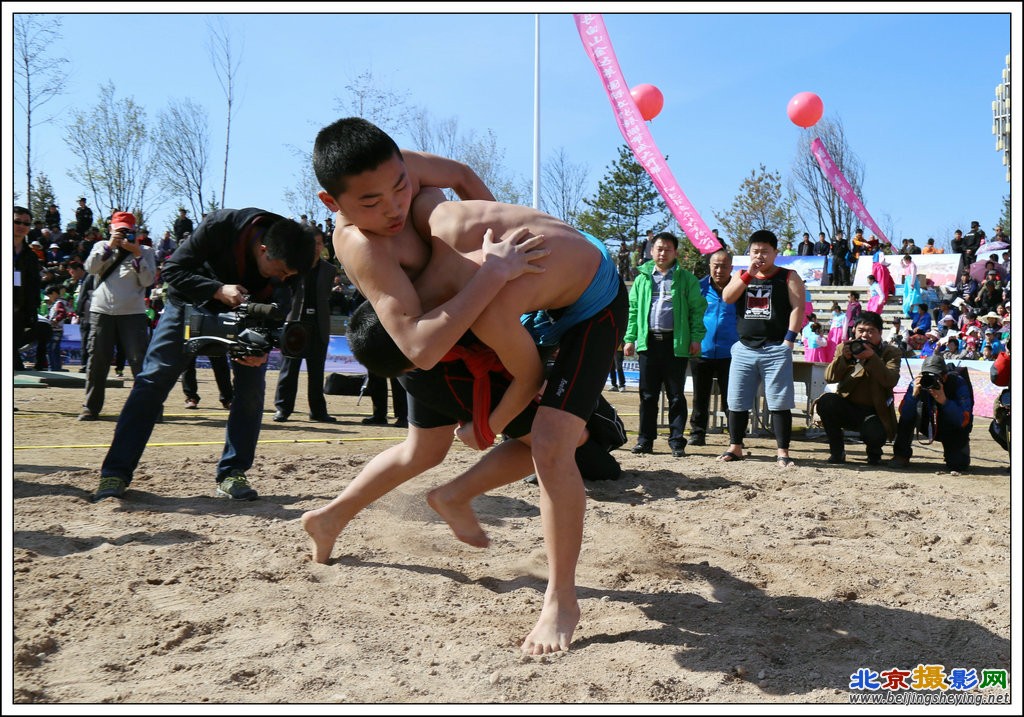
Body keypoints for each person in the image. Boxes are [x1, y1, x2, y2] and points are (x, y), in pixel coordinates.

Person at [302, 300, 625, 558]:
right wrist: (490, 426)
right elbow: (528, 376)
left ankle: (330, 518)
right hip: (440, 357)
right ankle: (454, 496)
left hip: (425, 346)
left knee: (423, 451)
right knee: (561, 440)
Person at [91, 208, 315, 502]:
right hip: (189, 305)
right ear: (263, 250)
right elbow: (172, 271)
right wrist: (217, 289)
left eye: (291, 275)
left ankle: (232, 473)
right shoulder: (221, 226)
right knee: (152, 381)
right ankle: (115, 473)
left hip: (250, 315)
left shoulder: (294, 253)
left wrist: (264, 347)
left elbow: (284, 300)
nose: (285, 278)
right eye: (282, 271)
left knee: (251, 389)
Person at [718, 229, 806, 468]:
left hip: (775, 347)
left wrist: (789, 340)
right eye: (755, 251)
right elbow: (727, 297)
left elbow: (798, 307)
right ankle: (735, 447)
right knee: (736, 400)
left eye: (765, 251)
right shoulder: (742, 274)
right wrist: (749, 274)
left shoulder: (789, 276)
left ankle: (782, 451)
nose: (760, 256)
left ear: (775, 253)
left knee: (779, 402)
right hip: (745, 347)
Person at [623, 231, 706, 457]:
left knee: (676, 395)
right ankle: (645, 440)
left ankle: (677, 441)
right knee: (647, 395)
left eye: (667, 249)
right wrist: (630, 338)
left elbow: (697, 310)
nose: (662, 253)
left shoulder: (686, 279)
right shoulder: (642, 279)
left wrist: (696, 338)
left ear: (675, 252)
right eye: (659, 248)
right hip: (649, 343)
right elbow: (633, 311)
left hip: (675, 344)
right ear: (651, 251)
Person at [78, 212, 157, 421]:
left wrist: (137, 255)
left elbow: (148, 281)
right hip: (102, 311)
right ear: (111, 230)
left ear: (135, 232)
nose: (123, 234)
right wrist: (109, 247)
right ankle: (90, 407)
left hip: (133, 314)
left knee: (140, 362)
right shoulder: (101, 246)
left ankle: (149, 409)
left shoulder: (146, 251)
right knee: (97, 361)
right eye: (119, 230)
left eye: (127, 231)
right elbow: (90, 268)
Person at [815, 311, 902, 465]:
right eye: (861, 331)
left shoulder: (890, 352)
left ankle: (874, 452)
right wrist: (845, 358)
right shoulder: (845, 348)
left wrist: (871, 357)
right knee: (826, 402)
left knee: (875, 433)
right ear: (854, 330)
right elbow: (829, 377)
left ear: (880, 333)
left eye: (871, 331)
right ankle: (837, 452)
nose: (865, 335)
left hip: (875, 411)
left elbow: (890, 380)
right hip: (848, 406)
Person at [272, 227, 340, 423]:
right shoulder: (292, 266)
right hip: (295, 323)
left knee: (316, 371)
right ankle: (283, 409)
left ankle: (318, 411)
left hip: (318, 324)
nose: (316, 247)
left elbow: (325, 296)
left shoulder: (329, 270)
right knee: (289, 369)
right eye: (312, 243)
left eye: (319, 243)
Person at [891, 354, 973, 472]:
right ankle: (901, 454)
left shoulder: (957, 383)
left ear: (944, 377)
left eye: (935, 376)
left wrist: (945, 402)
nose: (929, 380)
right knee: (906, 418)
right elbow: (905, 415)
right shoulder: (918, 383)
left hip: (950, 426)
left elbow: (964, 420)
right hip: (925, 423)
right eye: (926, 375)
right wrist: (913, 396)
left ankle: (954, 454)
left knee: (958, 464)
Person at [689, 248, 737, 446]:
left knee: (731, 398)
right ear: (710, 266)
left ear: (731, 268)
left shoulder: (739, 288)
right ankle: (697, 433)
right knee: (700, 396)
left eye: (724, 266)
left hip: (731, 353)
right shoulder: (698, 288)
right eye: (716, 266)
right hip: (702, 350)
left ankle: (735, 437)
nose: (719, 270)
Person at [14, 206, 44, 371]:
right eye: (17, 221)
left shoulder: (30, 255)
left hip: (20, 310)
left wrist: (32, 310)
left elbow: (34, 285)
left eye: (26, 223)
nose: (21, 226)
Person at [43, 284, 71, 371]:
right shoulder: (55, 304)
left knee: (53, 349)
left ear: (54, 293)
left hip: (57, 330)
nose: (48, 297)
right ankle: (53, 367)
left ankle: (55, 367)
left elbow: (62, 313)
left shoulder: (59, 303)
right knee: (51, 349)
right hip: (54, 330)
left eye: (49, 295)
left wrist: (56, 320)